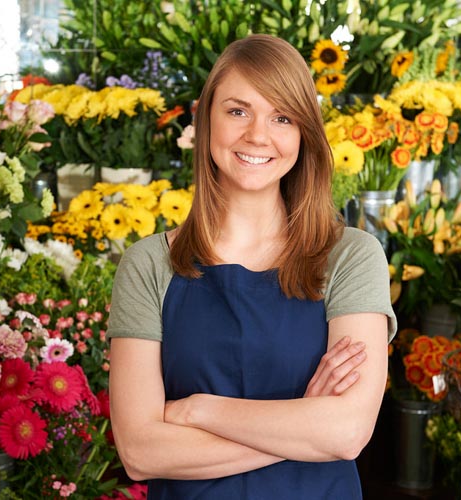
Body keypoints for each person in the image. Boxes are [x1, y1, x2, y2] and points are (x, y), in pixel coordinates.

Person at [107, 34, 396, 499]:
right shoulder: (148, 266)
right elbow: (141, 452)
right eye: (238, 111)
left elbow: (347, 433)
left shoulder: (352, 257)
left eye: (282, 117)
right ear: (206, 119)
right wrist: (305, 420)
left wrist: (197, 410)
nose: (258, 135)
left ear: (304, 133)